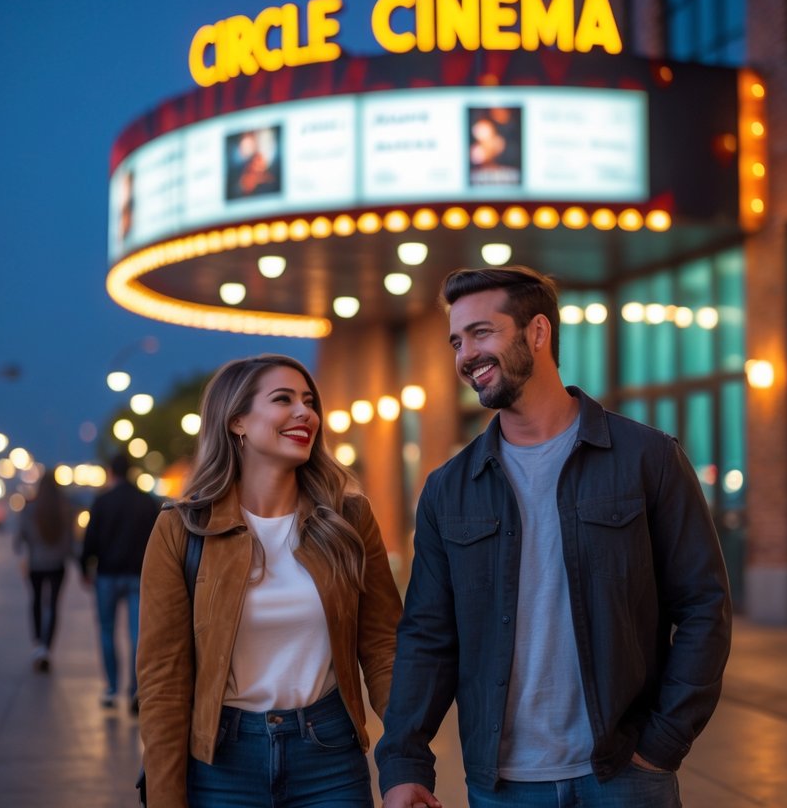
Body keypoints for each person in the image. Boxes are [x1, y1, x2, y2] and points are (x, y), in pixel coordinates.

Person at [376, 267, 732, 808]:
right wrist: (405, 762)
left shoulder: (648, 459)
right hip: (502, 785)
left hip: (625, 774)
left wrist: (663, 742)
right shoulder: (449, 490)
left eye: (481, 332)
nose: (465, 355)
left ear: (537, 333)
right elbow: (427, 636)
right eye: (456, 340)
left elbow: (704, 606)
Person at [137, 354, 402, 808]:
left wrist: (404, 761)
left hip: (330, 757)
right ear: (237, 420)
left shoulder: (349, 519)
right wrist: (166, 797)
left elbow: (384, 648)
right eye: (283, 399)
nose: (306, 413)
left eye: (309, 401)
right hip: (222, 762)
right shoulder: (183, 529)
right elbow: (164, 680)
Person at [82, 452, 159, 712]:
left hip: (107, 574)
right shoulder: (147, 502)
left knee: (106, 630)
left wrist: (84, 567)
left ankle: (112, 689)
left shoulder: (102, 501)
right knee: (138, 635)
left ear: (111, 472)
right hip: (139, 574)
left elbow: (90, 539)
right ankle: (137, 690)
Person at [15, 474, 75, 672]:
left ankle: (38, 644)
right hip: (57, 564)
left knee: (37, 601)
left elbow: (22, 535)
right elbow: (70, 540)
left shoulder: (30, 508)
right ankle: (48, 647)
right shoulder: (64, 508)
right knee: (54, 605)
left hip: (36, 564)